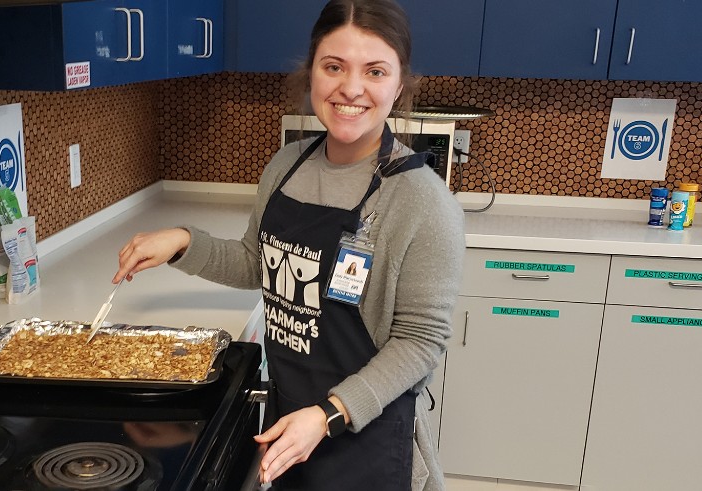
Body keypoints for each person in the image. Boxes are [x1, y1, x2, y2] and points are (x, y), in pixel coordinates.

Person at [111, 1, 463, 489]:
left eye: (375, 71)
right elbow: (258, 264)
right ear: (311, 73)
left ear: (399, 85)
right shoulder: (286, 166)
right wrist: (184, 243)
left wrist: (328, 416)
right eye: (334, 66)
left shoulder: (422, 199)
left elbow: (420, 342)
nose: (351, 88)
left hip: (364, 439)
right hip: (287, 423)